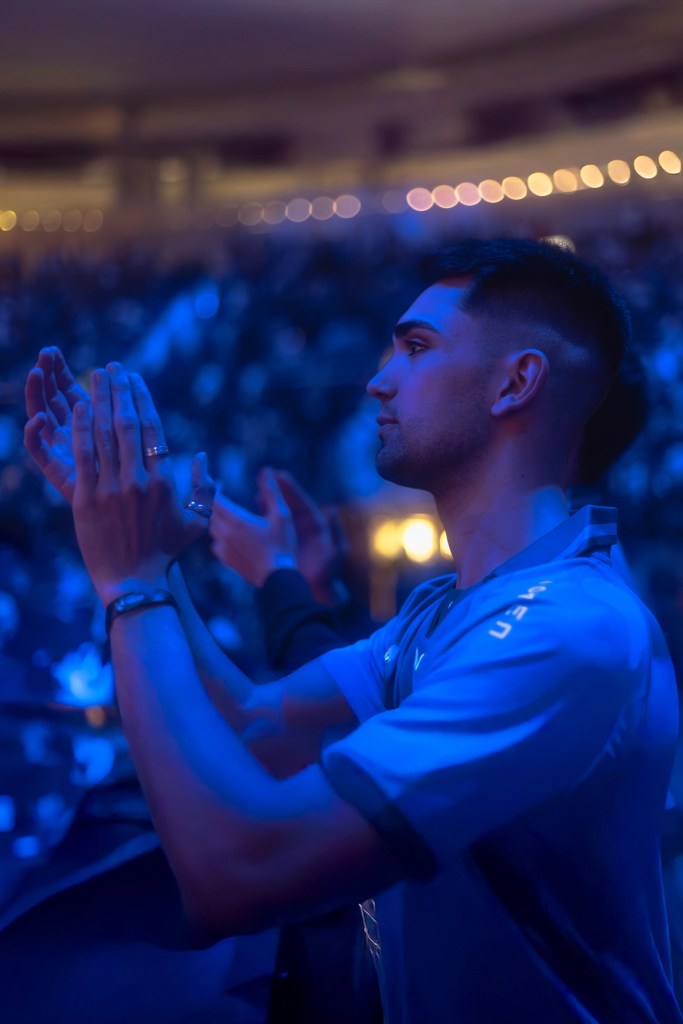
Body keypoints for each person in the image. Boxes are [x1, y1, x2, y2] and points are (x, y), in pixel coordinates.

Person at [24, 239, 681, 1024]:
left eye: (415, 347)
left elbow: (239, 873)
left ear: (515, 382)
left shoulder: (568, 631)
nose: (377, 379)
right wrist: (149, 561)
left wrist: (129, 584)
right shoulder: (447, 607)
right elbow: (255, 726)